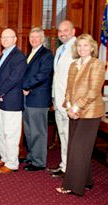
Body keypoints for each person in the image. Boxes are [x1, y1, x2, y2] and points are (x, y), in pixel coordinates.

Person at [55, 34, 105, 196]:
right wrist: (69, 106)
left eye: (85, 45)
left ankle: (72, 186)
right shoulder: (73, 64)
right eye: (79, 46)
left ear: (92, 47)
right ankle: (87, 181)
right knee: (78, 148)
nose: (82, 49)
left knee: (78, 149)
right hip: (73, 111)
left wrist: (76, 107)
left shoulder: (97, 64)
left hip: (90, 113)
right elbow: (69, 89)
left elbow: (93, 91)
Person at [0, 28, 27, 174]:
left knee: (11, 133)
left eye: (8, 37)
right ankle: (5, 158)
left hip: (11, 101)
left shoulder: (18, 56)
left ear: (15, 39)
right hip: (1, 101)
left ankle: (12, 163)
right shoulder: (4, 55)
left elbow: (14, 78)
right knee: (1, 131)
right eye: (3, 37)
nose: (5, 40)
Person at [21, 27, 54, 171]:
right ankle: (31, 156)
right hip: (27, 98)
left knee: (38, 131)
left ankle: (39, 162)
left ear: (42, 39)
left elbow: (43, 75)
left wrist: (26, 87)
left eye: (36, 37)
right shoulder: (30, 54)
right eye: (31, 37)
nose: (33, 39)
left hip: (38, 98)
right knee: (29, 130)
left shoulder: (46, 54)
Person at [49, 20, 76, 178]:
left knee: (71, 136)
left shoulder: (78, 48)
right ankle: (64, 165)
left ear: (73, 31)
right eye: (60, 30)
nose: (62, 33)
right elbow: (57, 77)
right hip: (58, 101)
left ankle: (72, 169)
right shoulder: (59, 49)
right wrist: (53, 97)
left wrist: (72, 102)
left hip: (70, 103)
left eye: (66, 30)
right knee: (63, 135)